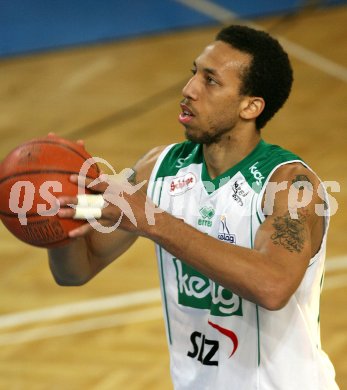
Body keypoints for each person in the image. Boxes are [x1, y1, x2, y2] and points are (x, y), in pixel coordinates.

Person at [48, 25, 339, 389]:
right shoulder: (158, 168)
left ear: (251, 106)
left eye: (211, 81)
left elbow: (273, 285)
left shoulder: (290, 185)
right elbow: (77, 270)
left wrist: (153, 221)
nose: (188, 90)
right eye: (194, 73)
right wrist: (53, 222)